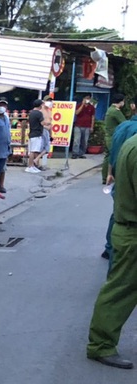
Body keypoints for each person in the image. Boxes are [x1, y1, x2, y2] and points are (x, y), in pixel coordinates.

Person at [86, 133, 137, 370]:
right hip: (132, 232)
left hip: (127, 228)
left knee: (119, 288)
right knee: (119, 291)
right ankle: (101, 345)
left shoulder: (133, 142)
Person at [100, 115, 137, 263]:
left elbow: (113, 151)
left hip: (119, 174)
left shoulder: (122, 126)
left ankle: (109, 247)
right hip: (129, 178)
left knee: (117, 213)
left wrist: (110, 173)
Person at [102, 94, 127, 184]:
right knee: (115, 156)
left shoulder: (110, 109)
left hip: (108, 136)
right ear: (120, 102)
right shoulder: (116, 111)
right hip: (113, 137)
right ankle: (112, 176)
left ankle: (105, 177)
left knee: (108, 156)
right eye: (123, 101)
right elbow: (124, 123)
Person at [72, 94, 96, 159]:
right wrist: (83, 105)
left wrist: (92, 127)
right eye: (86, 98)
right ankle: (75, 153)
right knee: (76, 140)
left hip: (87, 126)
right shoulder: (79, 105)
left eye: (88, 98)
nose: (87, 100)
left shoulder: (92, 107)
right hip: (78, 125)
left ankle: (81, 153)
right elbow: (76, 113)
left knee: (84, 141)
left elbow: (93, 117)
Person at [25, 99, 45, 174]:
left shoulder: (31, 113)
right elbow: (42, 123)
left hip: (32, 133)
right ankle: (30, 166)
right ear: (40, 105)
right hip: (36, 134)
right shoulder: (39, 113)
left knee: (32, 150)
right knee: (33, 151)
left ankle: (32, 166)